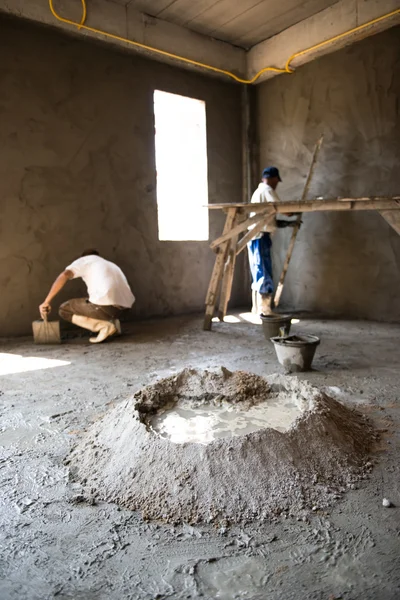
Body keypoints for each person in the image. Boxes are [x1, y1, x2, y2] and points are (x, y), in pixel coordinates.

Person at [39, 250, 135, 343]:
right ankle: (115, 326)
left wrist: (46, 301)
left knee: (64, 309)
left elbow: (64, 275)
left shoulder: (85, 261)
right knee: (98, 299)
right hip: (124, 310)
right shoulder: (110, 264)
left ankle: (104, 327)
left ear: (84, 257)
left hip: (105, 308)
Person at [248, 166, 297, 315]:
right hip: (260, 237)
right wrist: (297, 210)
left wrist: (288, 223)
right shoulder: (266, 190)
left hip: (258, 236)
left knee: (259, 271)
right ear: (272, 178)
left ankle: (257, 308)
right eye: (276, 181)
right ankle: (265, 310)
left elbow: (269, 220)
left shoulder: (259, 192)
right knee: (263, 272)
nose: (276, 184)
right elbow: (283, 209)